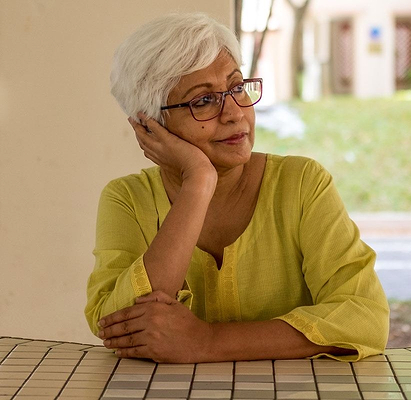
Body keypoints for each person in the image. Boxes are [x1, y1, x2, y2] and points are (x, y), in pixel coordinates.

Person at [85, 12, 389, 363]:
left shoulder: (302, 183)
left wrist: (208, 342)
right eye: (203, 101)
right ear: (150, 126)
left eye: (237, 87)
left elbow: (365, 318)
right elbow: (118, 323)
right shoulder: (126, 199)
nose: (235, 113)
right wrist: (198, 183)